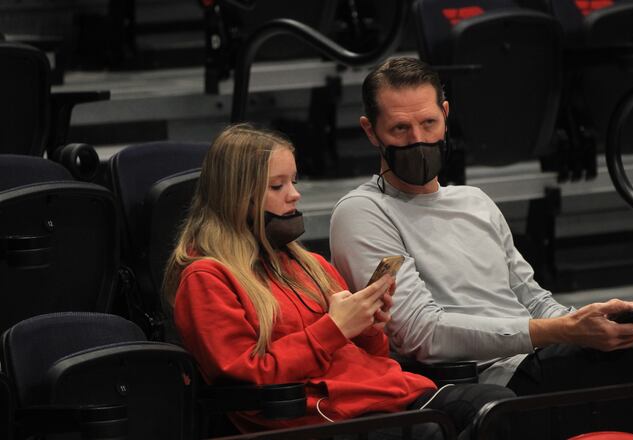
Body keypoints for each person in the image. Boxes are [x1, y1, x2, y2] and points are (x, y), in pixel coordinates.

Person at [329, 56, 633, 437]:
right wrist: (562, 332)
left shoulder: (474, 201)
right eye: (400, 129)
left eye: (428, 123)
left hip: (547, 361)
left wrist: (591, 322)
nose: (418, 140)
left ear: (446, 115)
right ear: (372, 132)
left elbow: (534, 299)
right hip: (493, 384)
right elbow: (421, 334)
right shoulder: (362, 212)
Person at [162, 124, 514, 438]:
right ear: (237, 196)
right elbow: (246, 378)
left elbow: (371, 356)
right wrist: (333, 328)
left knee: (495, 407)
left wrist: (369, 326)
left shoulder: (309, 263)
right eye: (277, 186)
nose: (295, 195)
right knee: (427, 432)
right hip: (316, 416)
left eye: (293, 182)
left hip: (383, 395)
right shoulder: (206, 278)